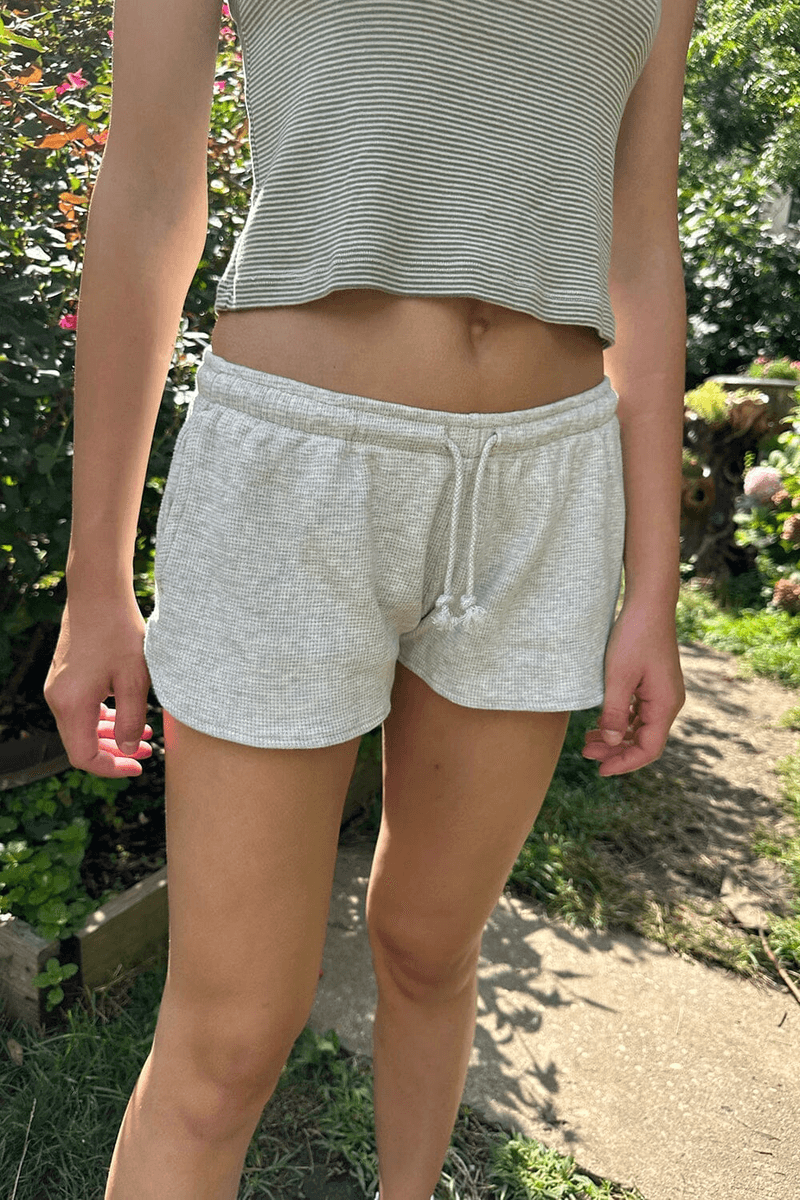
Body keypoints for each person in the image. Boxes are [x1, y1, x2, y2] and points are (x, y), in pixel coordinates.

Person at [43, 0, 697, 1196]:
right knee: (226, 1042)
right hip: (291, 472)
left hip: (548, 485)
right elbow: (145, 195)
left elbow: (639, 242)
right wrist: (97, 584)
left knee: (434, 948)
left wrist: (650, 586)